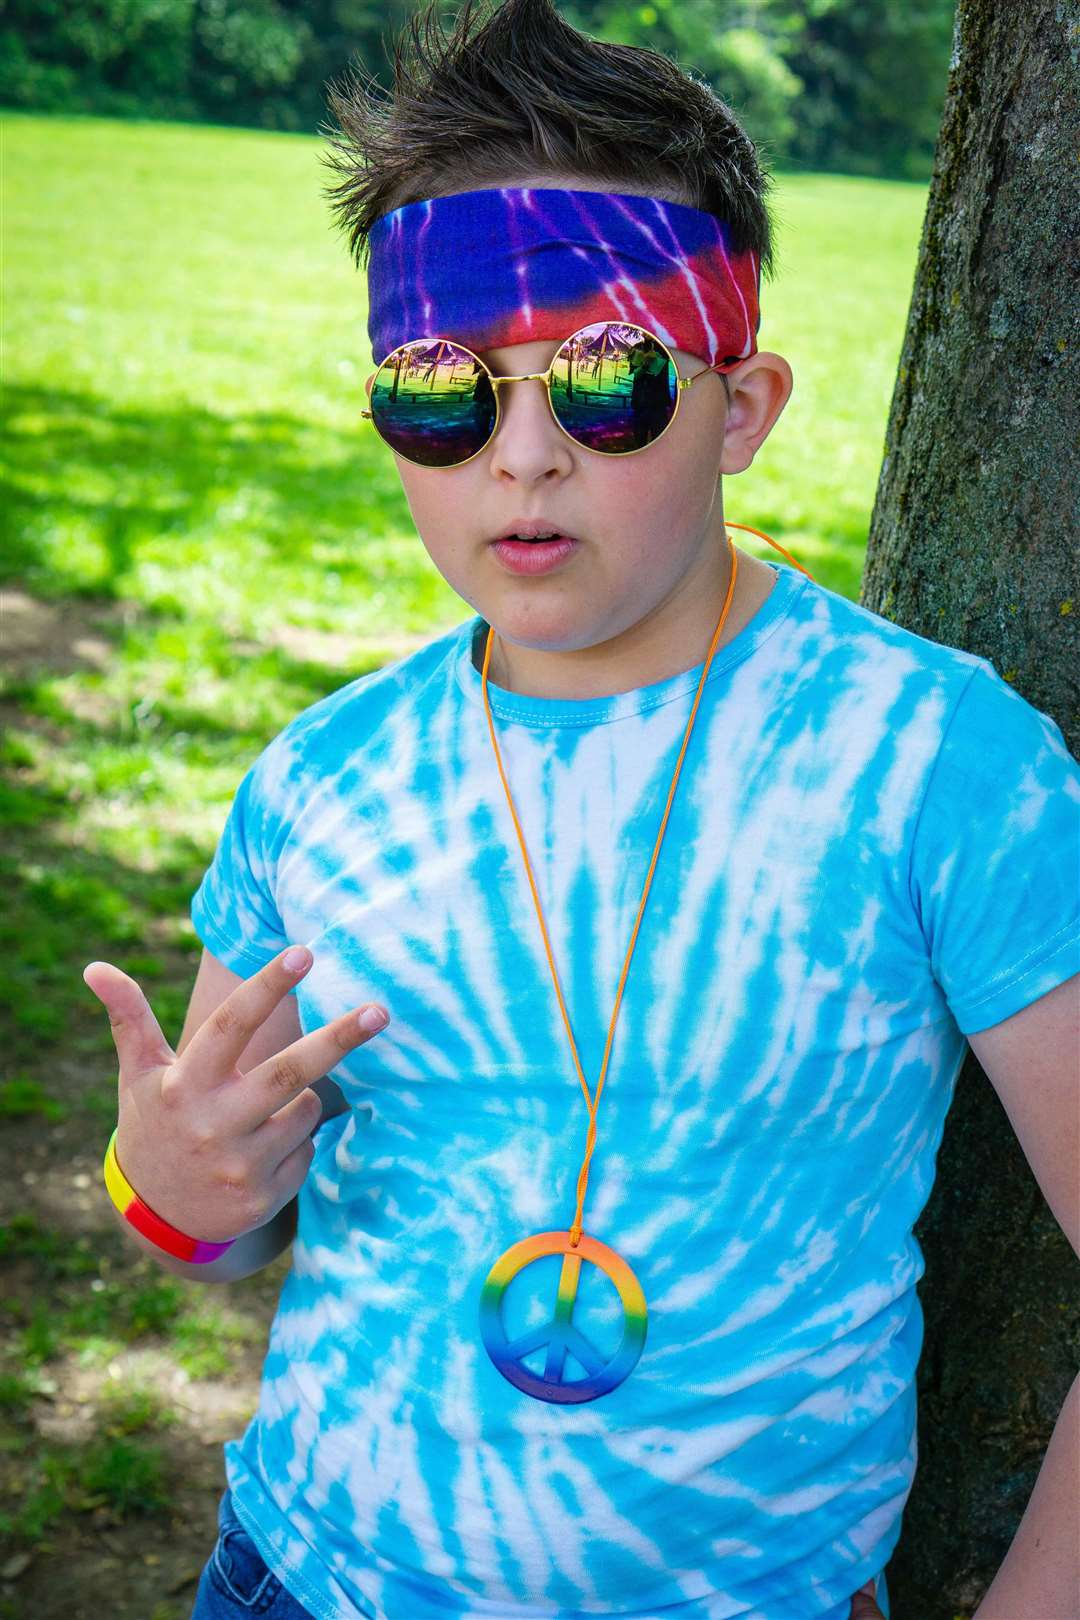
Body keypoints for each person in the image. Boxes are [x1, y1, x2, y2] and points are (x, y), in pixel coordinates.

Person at [83, 1, 1080, 1617]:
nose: (522, 458)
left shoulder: (936, 765)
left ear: (742, 409)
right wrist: (173, 1179)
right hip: (305, 1578)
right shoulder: (322, 785)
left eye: (606, 385)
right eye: (441, 390)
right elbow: (209, 1226)